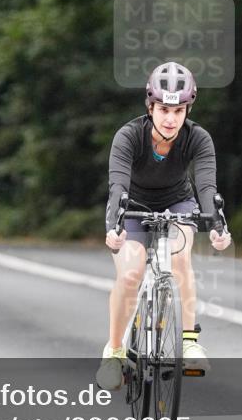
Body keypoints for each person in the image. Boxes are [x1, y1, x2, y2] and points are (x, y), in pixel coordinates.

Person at [96, 62, 232, 391]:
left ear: (188, 108)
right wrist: (115, 226)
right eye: (163, 109)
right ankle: (113, 352)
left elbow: (206, 188)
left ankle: (187, 342)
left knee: (179, 255)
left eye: (178, 110)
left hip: (178, 202)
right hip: (132, 206)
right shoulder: (129, 136)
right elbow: (117, 188)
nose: (170, 118)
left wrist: (217, 224)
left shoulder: (197, 138)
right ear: (150, 106)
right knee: (130, 273)